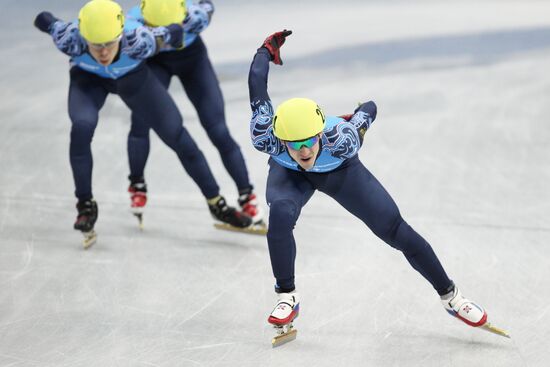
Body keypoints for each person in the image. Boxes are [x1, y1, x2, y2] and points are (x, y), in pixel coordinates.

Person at [248, 30, 507, 345]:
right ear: (281, 139)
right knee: (280, 216)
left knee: (396, 230)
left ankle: (451, 296)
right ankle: (286, 296)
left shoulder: (342, 138)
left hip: (338, 169)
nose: (304, 151)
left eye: (309, 141)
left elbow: (370, 109)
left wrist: (361, 111)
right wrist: (266, 49)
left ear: (320, 134)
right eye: (295, 144)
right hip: (288, 174)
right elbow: (257, 85)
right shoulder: (266, 134)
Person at [34, 0, 251, 247]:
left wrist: (174, 31)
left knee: (178, 136)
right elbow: (46, 20)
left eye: (109, 43)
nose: (103, 52)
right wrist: (49, 22)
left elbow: (173, 32)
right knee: (82, 126)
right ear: (84, 38)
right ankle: (85, 203)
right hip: (88, 81)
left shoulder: (139, 39)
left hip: (131, 80)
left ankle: (216, 203)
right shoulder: (70, 38)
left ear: (121, 35)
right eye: (96, 45)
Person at [125, 0, 265, 229]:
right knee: (140, 122)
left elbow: (208, 6)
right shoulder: (133, 22)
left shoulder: (196, 14)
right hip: (156, 62)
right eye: (155, 28)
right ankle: (137, 183)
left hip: (193, 61)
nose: (164, 34)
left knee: (218, 130)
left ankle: (246, 194)